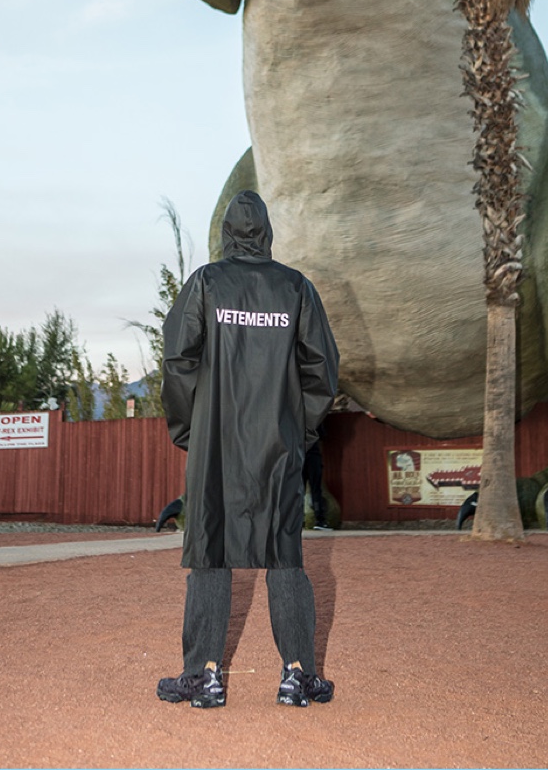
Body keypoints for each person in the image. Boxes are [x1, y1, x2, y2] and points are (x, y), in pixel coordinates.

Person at [157, 190, 339, 709]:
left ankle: (203, 677)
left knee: (211, 553)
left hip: (217, 445)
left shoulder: (207, 284)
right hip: (279, 445)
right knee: (285, 555)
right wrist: (299, 432)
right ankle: (297, 676)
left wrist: (190, 428)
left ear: (228, 233)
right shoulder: (295, 288)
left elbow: (177, 362)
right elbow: (322, 370)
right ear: (266, 232)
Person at [303, 423, 331, 529]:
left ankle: (297, 519)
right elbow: (322, 435)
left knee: (298, 490)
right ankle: (319, 520)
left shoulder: (294, 418)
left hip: (299, 456)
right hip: (313, 455)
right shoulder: (315, 420)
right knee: (316, 489)